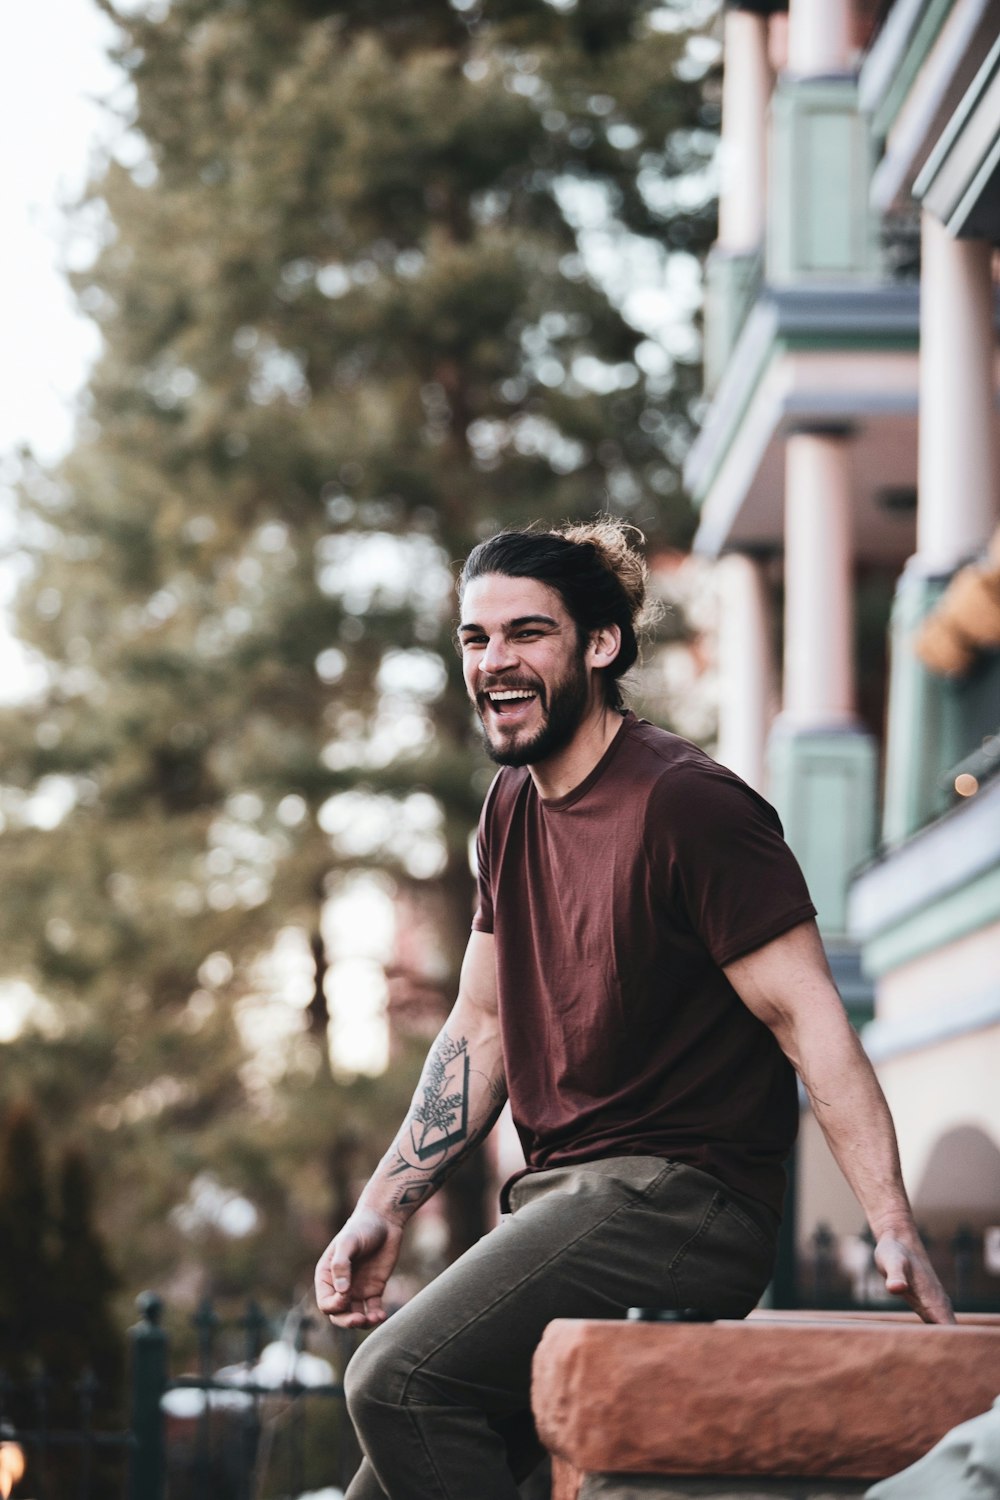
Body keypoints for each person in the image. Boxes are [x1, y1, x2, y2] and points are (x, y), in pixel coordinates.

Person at [315, 520, 954, 1500]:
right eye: (474, 640)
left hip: (681, 1201)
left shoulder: (688, 805)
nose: (495, 662)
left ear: (601, 643)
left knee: (397, 1382)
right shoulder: (508, 808)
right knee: (386, 1478)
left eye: (526, 634)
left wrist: (889, 1220)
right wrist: (380, 1207)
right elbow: (478, 1029)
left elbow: (805, 1019)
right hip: (564, 1203)